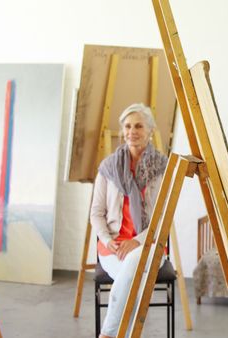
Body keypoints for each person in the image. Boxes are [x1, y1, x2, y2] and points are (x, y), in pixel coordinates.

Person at [90, 103, 167, 338]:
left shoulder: (162, 168)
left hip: (150, 245)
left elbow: (164, 216)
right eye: (128, 126)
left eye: (139, 126)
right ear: (122, 130)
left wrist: (138, 241)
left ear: (150, 130)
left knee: (133, 264)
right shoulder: (108, 168)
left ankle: (108, 334)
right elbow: (96, 213)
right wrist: (107, 238)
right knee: (134, 279)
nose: (132, 131)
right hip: (112, 247)